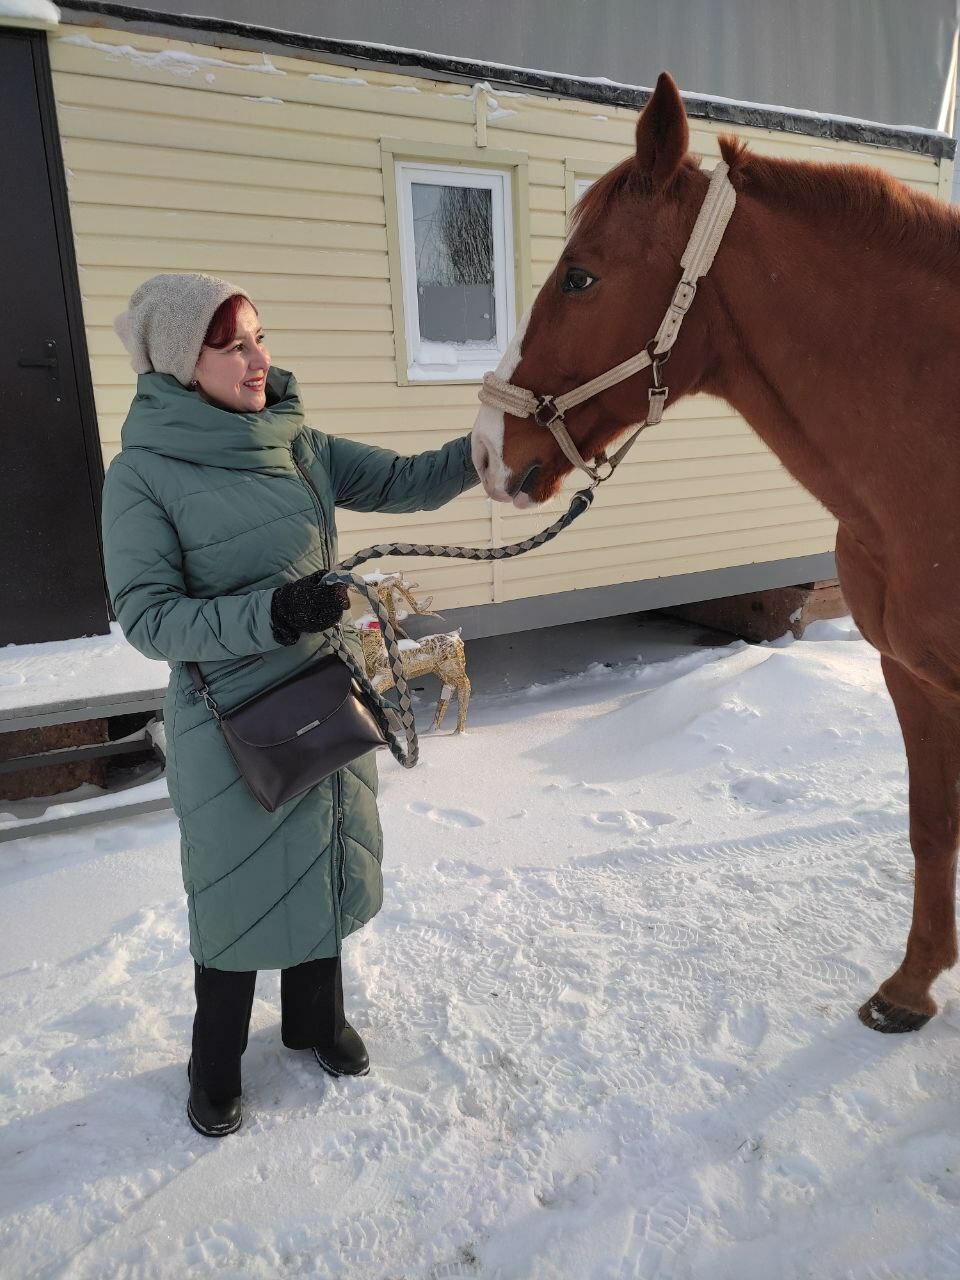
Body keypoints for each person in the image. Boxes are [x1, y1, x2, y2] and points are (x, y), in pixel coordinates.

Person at [102, 273, 478, 1136]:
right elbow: (149, 618)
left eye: (258, 336)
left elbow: (407, 481)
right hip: (228, 721)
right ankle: (215, 1067)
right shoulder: (144, 475)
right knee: (234, 895)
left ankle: (315, 1022)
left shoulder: (295, 441)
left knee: (321, 858)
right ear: (178, 359)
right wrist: (273, 613)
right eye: (234, 345)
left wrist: (492, 449)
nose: (259, 358)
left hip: (318, 690)